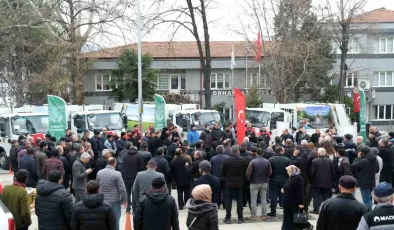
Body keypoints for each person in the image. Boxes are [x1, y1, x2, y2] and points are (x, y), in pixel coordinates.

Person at [96, 157, 127, 230]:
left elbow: (97, 186)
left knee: (104, 218)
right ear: (114, 163)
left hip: (103, 199)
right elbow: (122, 188)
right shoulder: (117, 174)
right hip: (114, 200)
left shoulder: (99, 172)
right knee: (115, 219)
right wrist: (125, 199)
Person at [221, 145, 248, 224]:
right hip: (239, 183)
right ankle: (240, 218)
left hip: (229, 183)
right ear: (238, 151)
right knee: (239, 200)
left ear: (231, 151)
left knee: (228, 200)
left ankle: (228, 218)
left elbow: (222, 172)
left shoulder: (226, 160)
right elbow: (245, 170)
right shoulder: (242, 160)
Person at [282, 165, 313, 230]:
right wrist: (284, 189)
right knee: (288, 216)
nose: (287, 172)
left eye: (288, 171)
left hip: (294, 202)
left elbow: (300, 192)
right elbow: (288, 186)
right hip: (288, 202)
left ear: (292, 171)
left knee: (296, 216)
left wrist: (301, 203)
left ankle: (308, 225)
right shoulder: (291, 178)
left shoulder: (298, 179)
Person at [246, 146, 272, 221]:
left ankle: (253, 215)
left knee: (253, 199)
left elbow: (248, 173)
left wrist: (250, 179)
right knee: (264, 199)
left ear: (256, 153)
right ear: (263, 153)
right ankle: (263, 215)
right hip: (264, 182)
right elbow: (270, 173)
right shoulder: (267, 161)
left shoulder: (253, 162)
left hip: (254, 182)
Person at [352, 145, 379, 211]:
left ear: (362, 153)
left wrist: (358, 158)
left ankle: (368, 214)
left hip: (364, 183)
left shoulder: (363, 161)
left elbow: (353, 166)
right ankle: (370, 212)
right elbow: (377, 170)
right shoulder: (375, 159)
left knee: (366, 201)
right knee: (369, 199)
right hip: (372, 182)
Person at [309, 148, 335, 214]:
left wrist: (311, 180)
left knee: (316, 196)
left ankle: (316, 210)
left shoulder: (314, 161)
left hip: (316, 182)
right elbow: (333, 172)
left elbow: (312, 172)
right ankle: (328, 209)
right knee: (326, 196)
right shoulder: (330, 161)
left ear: (318, 153)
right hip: (327, 182)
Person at [121, 144, 145, 212]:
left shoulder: (124, 155)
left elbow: (122, 165)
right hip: (135, 177)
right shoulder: (139, 155)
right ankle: (135, 208)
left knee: (127, 193)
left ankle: (128, 208)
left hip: (126, 177)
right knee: (135, 193)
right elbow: (141, 167)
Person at [268, 146, 290, 217]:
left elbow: (269, 170)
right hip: (284, 179)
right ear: (280, 151)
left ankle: (273, 211)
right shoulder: (287, 159)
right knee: (283, 195)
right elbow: (289, 171)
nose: (284, 151)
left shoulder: (270, 159)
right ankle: (285, 211)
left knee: (273, 195)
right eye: (283, 150)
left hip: (273, 179)